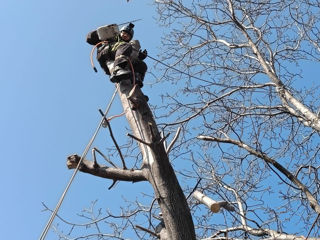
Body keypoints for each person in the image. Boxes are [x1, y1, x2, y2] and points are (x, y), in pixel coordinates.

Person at [86, 23, 148, 87]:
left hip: (120, 59)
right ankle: (118, 69)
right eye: (124, 33)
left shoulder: (127, 48)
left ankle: (136, 78)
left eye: (128, 35)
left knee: (142, 65)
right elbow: (89, 39)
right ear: (120, 32)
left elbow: (129, 56)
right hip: (106, 53)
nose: (125, 35)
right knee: (125, 45)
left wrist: (139, 57)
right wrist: (102, 31)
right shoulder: (111, 37)